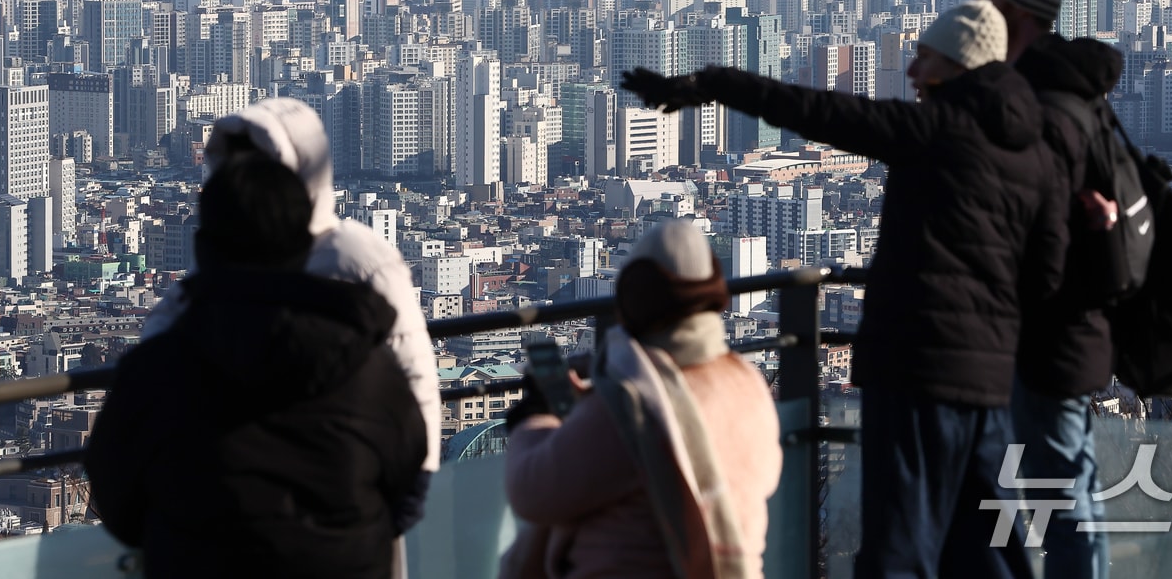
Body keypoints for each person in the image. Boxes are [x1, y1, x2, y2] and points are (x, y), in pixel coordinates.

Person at [622, 0, 1067, 579]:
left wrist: (711, 84)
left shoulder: (932, 131)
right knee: (989, 551)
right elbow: (1049, 274)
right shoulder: (1036, 155)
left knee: (898, 547)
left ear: (956, 66)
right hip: (989, 383)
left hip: (914, 368)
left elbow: (819, 111)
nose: (911, 73)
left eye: (924, 59)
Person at [85, 153, 428, 579]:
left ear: (205, 248)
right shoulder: (369, 370)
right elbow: (409, 486)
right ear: (305, 247)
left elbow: (117, 502)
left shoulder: (154, 372)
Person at [141, 97, 442, 481]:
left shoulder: (355, 255)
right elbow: (159, 349)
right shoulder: (225, 255)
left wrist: (413, 483)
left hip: (331, 483)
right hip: (255, 489)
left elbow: (413, 377)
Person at [502, 219, 782, 579]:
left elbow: (532, 489)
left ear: (634, 300)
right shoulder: (747, 383)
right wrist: (593, 401)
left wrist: (535, 414)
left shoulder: (634, 406)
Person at [977, 0, 1125, 579]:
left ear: (1017, 9)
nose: (976, 11)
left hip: (1047, 335)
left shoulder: (1041, 103)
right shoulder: (1073, 89)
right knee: (1046, 490)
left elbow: (1039, 224)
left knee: (1059, 497)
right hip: (1058, 333)